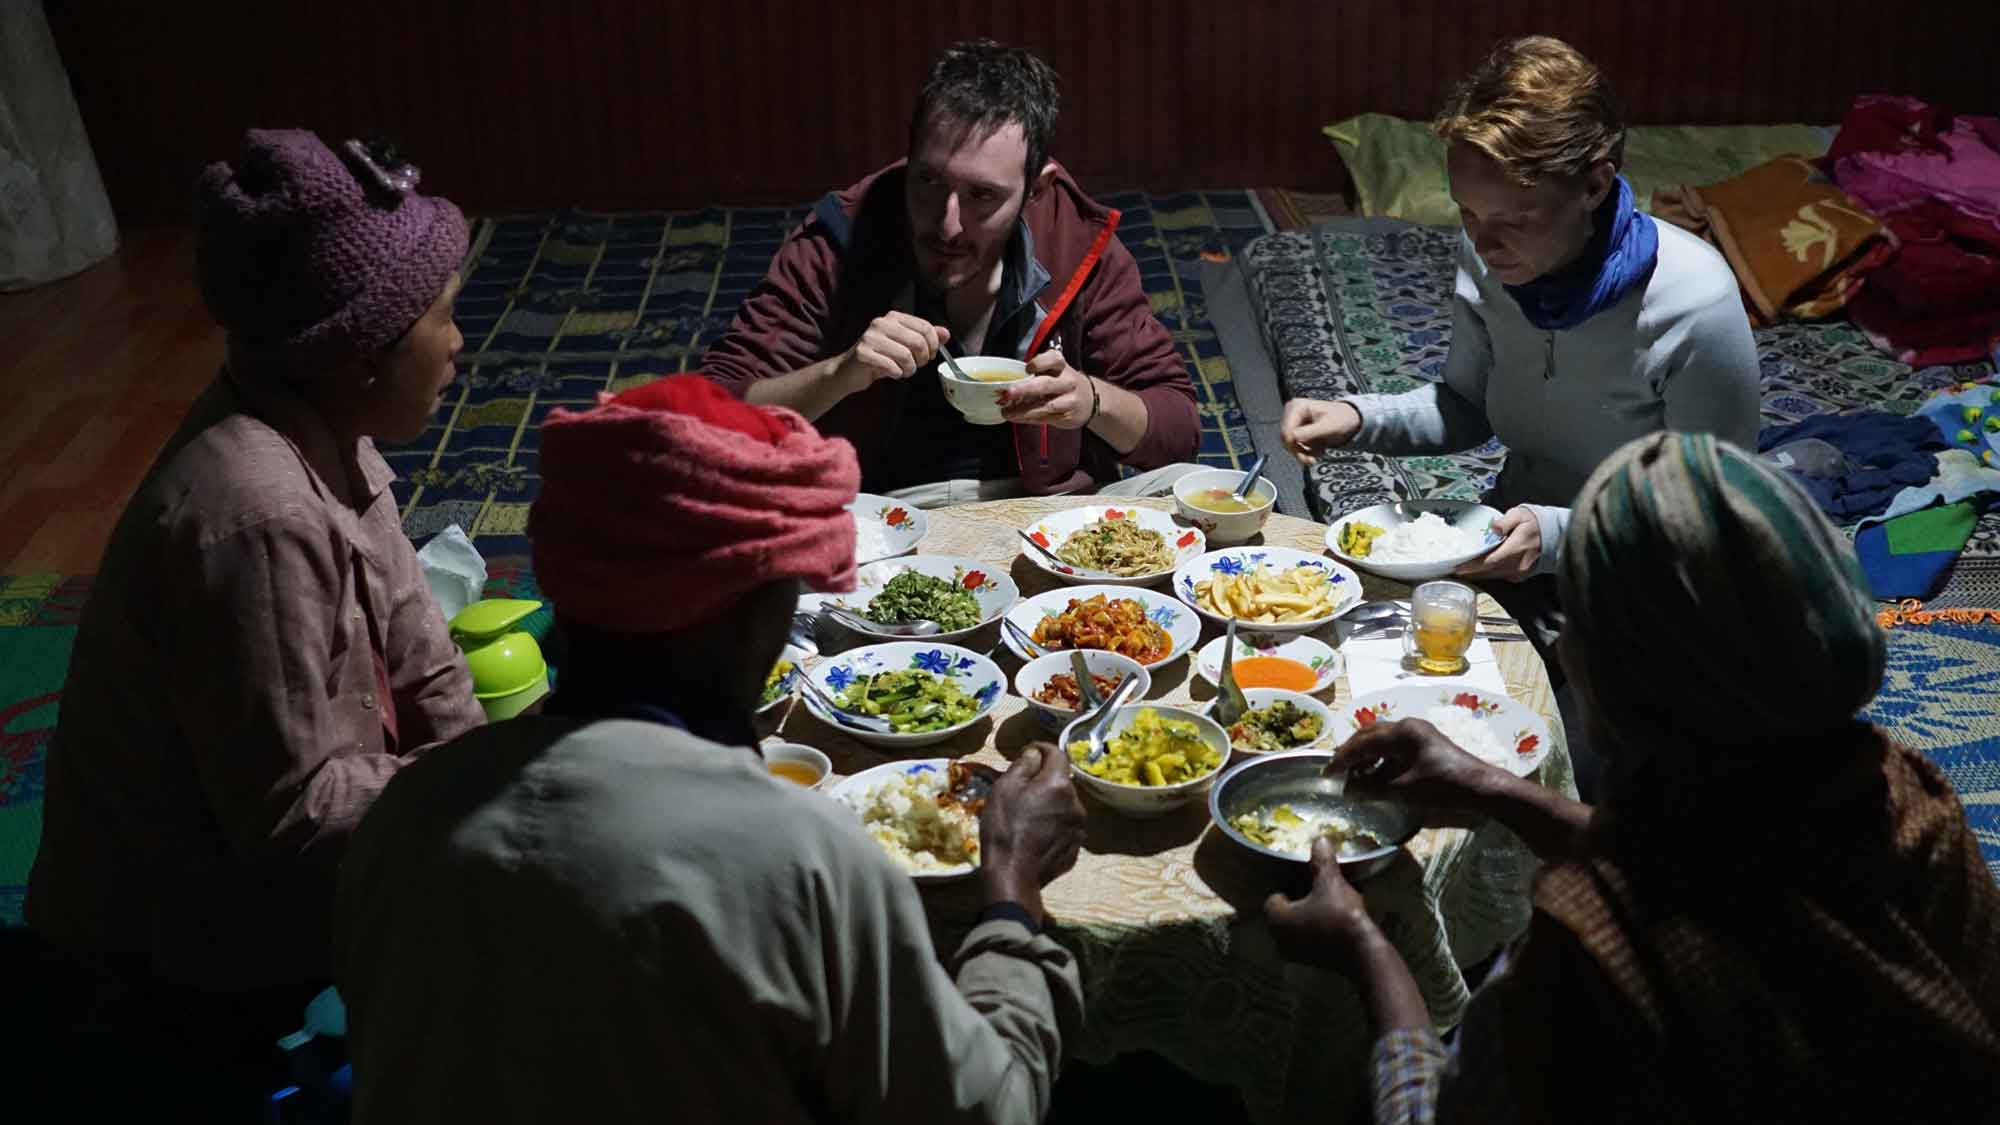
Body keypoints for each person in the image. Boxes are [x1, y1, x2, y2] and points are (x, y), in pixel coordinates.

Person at [335, 374, 1090, 1123]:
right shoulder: (799, 861)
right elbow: (991, 1108)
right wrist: (1013, 895)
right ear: (759, 617)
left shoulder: (406, 815)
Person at [1264, 432, 2000, 1123]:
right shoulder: (1906, 792)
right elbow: (1721, 870)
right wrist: (1490, 786)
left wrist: (1366, 949)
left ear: (1614, 685)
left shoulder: (1594, 952)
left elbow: (1431, 1112)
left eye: (1576, 626)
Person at [23, 129, 485, 1111]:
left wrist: (494, 779)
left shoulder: (330, 431)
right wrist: (466, 785)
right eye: (443, 318)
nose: (459, 342)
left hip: (262, 911)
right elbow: (290, 811)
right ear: (360, 353)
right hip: (169, 981)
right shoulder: (255, 513)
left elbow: (426, 658)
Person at [1280, 36, 1759, 645]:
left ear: (1593, 187)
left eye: (1514, 220)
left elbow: (1712, 513)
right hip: (1510, 543)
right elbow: (1466, 405)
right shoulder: (1489, 260)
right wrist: (1353, 418)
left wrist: (1557, 535)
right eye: (1468, 215)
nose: (1484, 244)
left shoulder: (1694, 299)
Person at [701, 39, 1201, 505]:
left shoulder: (1079, 244)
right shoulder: (840, 238)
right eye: (928, 181)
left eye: (982, 196)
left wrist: (1092, 401)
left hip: (1044, 510)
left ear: (1035, 189)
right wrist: (840, 373)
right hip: (884, 512)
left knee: (1199, 493)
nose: (948, 224)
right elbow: (713, 423)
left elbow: (1178, 430)